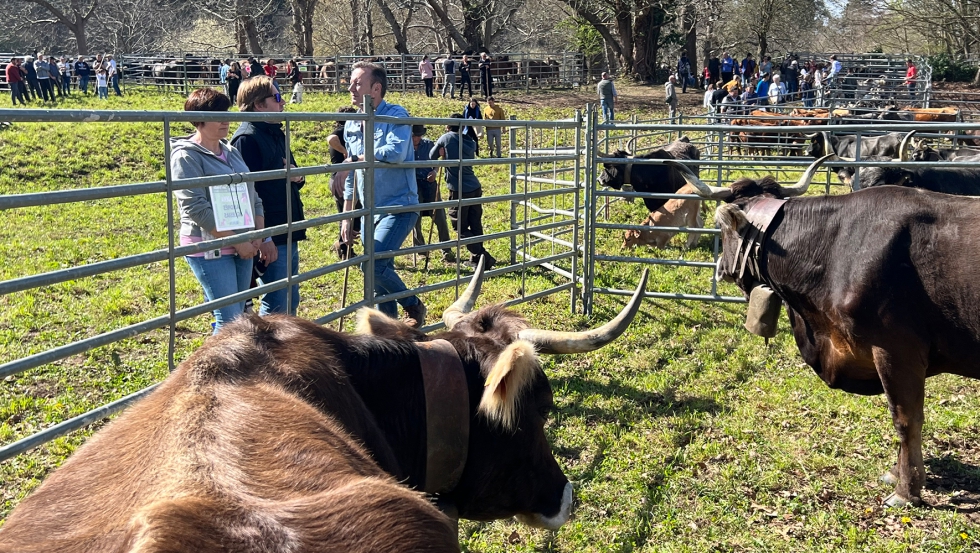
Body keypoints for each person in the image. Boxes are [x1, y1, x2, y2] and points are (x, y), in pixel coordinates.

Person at [171, 87, 265, 333]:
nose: (226, 119)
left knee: (239, 316)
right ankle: (217, 371)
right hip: (209, 245)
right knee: (229, 319)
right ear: (199, 119)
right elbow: (195, 208)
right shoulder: (186, 156)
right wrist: (240, 240)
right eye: (217, 114)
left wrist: (257, 234)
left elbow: (253, 195)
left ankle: (234, 370)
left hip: (243, 242)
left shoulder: (231, 152)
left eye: (226, 112)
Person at [341, 61, 427, 328]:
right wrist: (347, 217)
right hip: (369, 212)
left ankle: (413, 305)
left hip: (399, 206)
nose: (351, 88)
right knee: (377, 277)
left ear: (375, 89)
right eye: (350, 83)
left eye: (357, 83)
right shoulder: (352, 125)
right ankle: (389, 335)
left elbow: (396, 153)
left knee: (372, 266)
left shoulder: (396, 116)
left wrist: (363, 157)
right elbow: (353, 176)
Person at [232, 76, 306, 316]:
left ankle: (286, 351)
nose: (283, 101)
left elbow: (292, 173)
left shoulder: (276, 133)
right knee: (277, 302)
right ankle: (273, 353)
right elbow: (247, 193)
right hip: (272, 232)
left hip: (287, 226)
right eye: (276, 97)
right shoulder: (247, 139)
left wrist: (298, 177)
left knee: (289, 297)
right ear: (258, 105)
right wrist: (263, 236)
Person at [430, 114, 496, 270]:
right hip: (474, 186)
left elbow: (431, 155)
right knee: (475, 223)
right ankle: (476, 259)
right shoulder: (469, 141)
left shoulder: (446, 138)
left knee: (459, 226)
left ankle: (483, 257)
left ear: (448, 126)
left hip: (458, 188)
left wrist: (442, 153)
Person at [410, 124, 455, 262]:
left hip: (430, 183)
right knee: (415, 218)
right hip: (414, 184)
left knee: (440, 216)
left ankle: (446, 249)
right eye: (414, 135)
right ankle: (420, 250)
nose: (416, 138)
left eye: (419, 135)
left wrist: (435, 172)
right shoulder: (405, 146)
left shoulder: (429, 144)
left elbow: (437, 160)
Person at [328, 106, 360, 258]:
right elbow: (331, 139)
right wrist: (345, 151)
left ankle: (343, 246)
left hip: (339, 179)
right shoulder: (343, 130)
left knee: (345, 212)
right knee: (352, 212)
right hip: (342, 179)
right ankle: (344, 247)